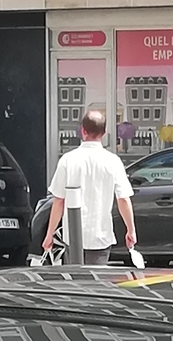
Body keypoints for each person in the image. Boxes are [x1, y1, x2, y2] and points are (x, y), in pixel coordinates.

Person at [40, 106, 141, 268]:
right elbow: (123, 199)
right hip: (100, 236)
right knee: (97, 283)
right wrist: (131, 229)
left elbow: (59, 201)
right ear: (104, 133)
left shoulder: (68, 160)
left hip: (72, 237)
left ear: (82, 131)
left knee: (74, 284)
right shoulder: (113, 161)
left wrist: (50, 234)